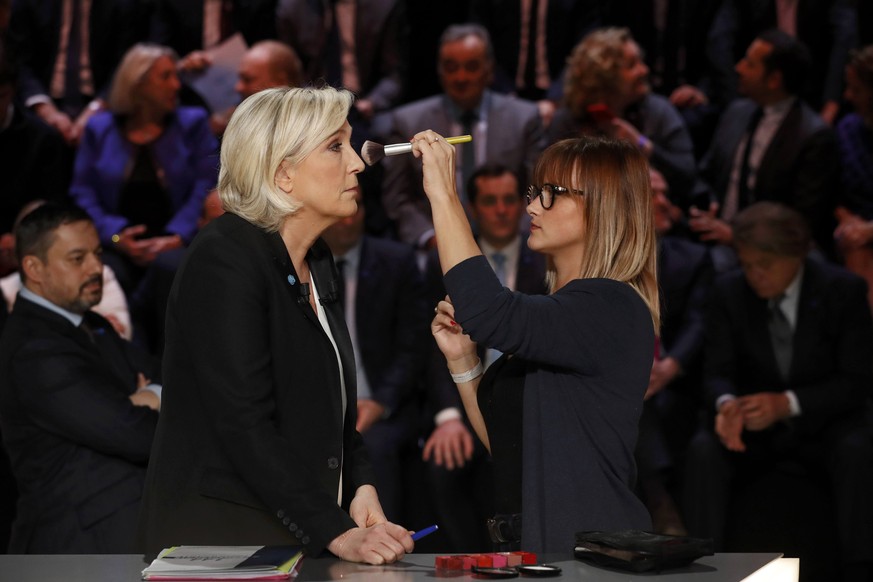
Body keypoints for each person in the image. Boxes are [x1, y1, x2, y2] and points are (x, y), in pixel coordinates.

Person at [138, 86, 414, 564]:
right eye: (336, 146)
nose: (357, 162)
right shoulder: (223, 256)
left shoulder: (318, 257)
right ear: (283, 173)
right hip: (222, 543)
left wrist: (361, 483)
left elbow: (334, 404)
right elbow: (243, 424)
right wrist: (336, 531)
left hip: (294, 535)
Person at [418, 132, 658, 553]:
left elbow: (488, 312)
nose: (531, 206)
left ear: (603, 206)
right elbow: (509, 448)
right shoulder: (561, 313)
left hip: (589, 559)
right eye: (535, 192)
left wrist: (443, 192)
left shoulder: (613, 306)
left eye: (552, 193)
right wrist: (464, 364)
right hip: (533, 554)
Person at [683, 202, 873, 581]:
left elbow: (856, 381)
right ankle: (700, 566)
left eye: (765, 266)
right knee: (704, 449)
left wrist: (787, 404)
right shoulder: (728, 291)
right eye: (747, 264)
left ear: (797, 256)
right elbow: (716, 373)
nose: (755, 276)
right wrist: (726, 406)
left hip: (823, 422)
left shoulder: (842, 290)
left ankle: (861, 565)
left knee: (859, 448)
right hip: (752, 430)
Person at [0, 203, 161, 554]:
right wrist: (131, 408)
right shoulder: (34, 349)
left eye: (97, 253)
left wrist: (146, 396)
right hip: (79, 547)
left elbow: (167, 374)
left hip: (122, 528)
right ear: (33, 268)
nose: (96, 268)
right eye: (77, 259)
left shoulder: (92, 323)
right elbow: (136, 435)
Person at [421, 163, 548, 552]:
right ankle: (463, 563)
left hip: (529, 404)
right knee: (443, 463)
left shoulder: (547, 261)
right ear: (473, 208)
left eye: (510, 200)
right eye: (490, 201)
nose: (502, 210)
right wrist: (448, 418)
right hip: (470, 397)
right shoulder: (438, 262)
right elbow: (429, 344)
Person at [69, 43, 218, 351]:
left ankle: (171, 374)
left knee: (171, 268)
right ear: (136, 82)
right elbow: (82, 192)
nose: (176, 84)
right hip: (115, 245)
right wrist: (116, 238)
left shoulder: (193, 123)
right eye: (165, 77)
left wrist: (178, 236)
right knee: (104, 272)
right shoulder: (99, 129)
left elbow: (208, 183)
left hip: (176, 241)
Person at [381, 24, 545, 249]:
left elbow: (538, 189)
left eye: (471, 67)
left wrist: (517, 237)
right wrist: (430, 237)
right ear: (439, 71)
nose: (461, 77)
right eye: (451, 67)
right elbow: (398, 198)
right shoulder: (409, 121)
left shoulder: (523, 119)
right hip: (436, 247)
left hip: (512, 243)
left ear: (489, 70)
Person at [321, 190, 430, 523]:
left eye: (358, 207)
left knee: (375, 449)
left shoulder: (395, 261)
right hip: (321, 405)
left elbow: (412, 347)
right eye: (342, 211)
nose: (350, 218)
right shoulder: (301, 265)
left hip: (385, 404)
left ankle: (384, 541)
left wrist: (380, 402)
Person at [689, 29, 839, 264]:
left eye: (749, 63)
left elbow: (800, 220)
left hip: (769, 248)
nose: (738, 68)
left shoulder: (814, 137)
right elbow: (706, 173)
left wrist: (738, 237)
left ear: (774, 80)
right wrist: (708, 206)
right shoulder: (736, 112)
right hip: (712, 232)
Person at [548, 27, 697, 206]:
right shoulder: (568, 120)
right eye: (632, 65)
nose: (645, 70)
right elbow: (550, 185)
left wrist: (642, 145)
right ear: (605, 76)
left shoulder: (658, 111)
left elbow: (688, 176)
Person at [6, 0, 150, 145]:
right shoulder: (29, 4)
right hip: (41, 99)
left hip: (102, 100)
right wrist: (46, 110)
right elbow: (19, 59)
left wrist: (96, 109)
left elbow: (124, 64)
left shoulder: (123, 5)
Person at [833, 45, 873, 308]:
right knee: (855, 246)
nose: (847, 96)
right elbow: (832, 192)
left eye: (856, 89)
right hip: (856, 232)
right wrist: (846, 220)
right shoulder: (848, 129)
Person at [209, 40, 304, 136]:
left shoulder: (306, 127)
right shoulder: (237, 120)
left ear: (280, 82)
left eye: (248, 79)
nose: (238, 87)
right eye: (240, 78)